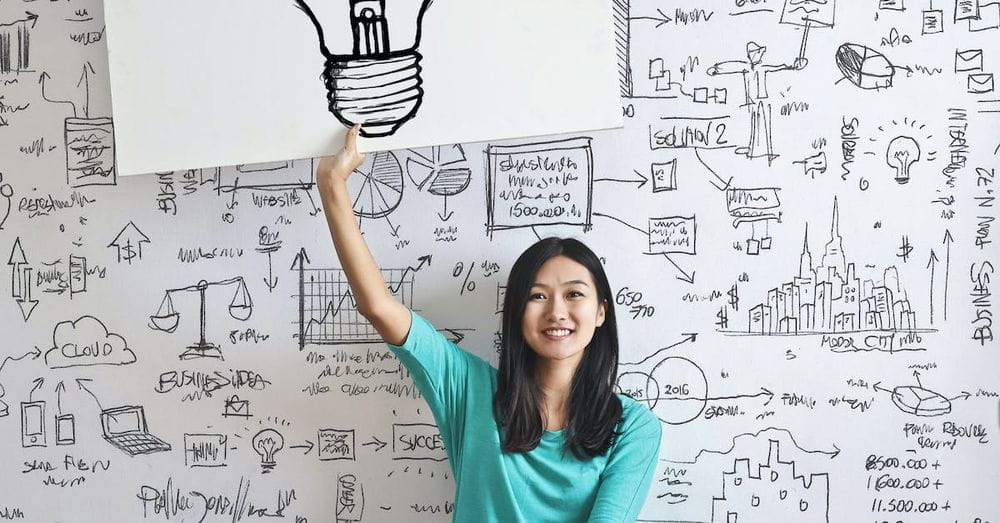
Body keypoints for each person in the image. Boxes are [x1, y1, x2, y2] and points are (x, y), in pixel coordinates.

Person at [317, 124, 662, 522]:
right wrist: (332, 183)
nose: (556, 312)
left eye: (574, 294)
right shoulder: (470, 390)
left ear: (601, 311)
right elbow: (378, 306)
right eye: (537, 295)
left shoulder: (633, 427)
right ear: (517, 311)